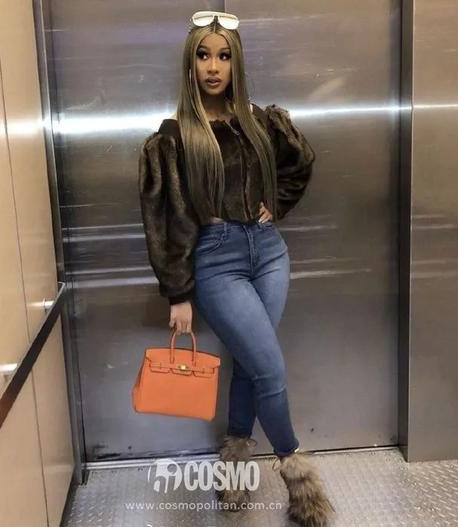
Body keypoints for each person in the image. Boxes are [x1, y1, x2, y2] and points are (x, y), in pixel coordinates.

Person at [138, 10, 334, 527]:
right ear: (190, 63)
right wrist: (178, 292)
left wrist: (277, 204)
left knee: (250, 365)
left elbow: (300, 162)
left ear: (236, 62)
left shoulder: (257, 120)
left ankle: (234, 470)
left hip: (269, 252)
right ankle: (299, 477)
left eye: (223, 56)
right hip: (216, 260)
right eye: (203, 56)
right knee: (269, 369)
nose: (213, 67)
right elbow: (166, 218)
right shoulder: (175, 136)